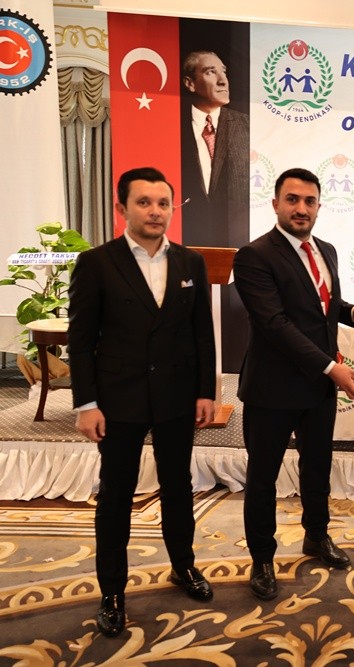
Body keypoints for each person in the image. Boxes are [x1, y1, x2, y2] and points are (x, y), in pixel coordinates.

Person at [68, 167, 217, 638]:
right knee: (116, 494)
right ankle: (111, 591)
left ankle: (183, 565)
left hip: (176, 396)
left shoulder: (191, 263)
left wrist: (206, 392)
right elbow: (81, 341)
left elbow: (202, 333)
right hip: (118, 399)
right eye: (144, 202)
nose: (155, 211)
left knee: (178, 486)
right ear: (122, 208)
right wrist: (86, 403)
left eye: (163, 203)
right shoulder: (96, 263)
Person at [233, 167, 354, 601]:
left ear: (318, 206)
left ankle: (317, 536)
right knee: (263, 477)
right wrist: (331, 368)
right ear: (276, 203)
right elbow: (275, 324)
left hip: (316, 388)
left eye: (309, 201)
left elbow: (321, 307)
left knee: (317, 467)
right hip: (272, 388)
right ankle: (262, 557)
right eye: (293, 200)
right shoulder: (254, 255)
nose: (301, 208)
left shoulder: (326, 250)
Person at [180, 49, 251, 373]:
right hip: (186, 245)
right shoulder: (171, 123)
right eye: (211, 72)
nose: (223, 80)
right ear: (189, 83)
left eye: (224, 71)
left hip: (234, 244)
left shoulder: (245, 125)